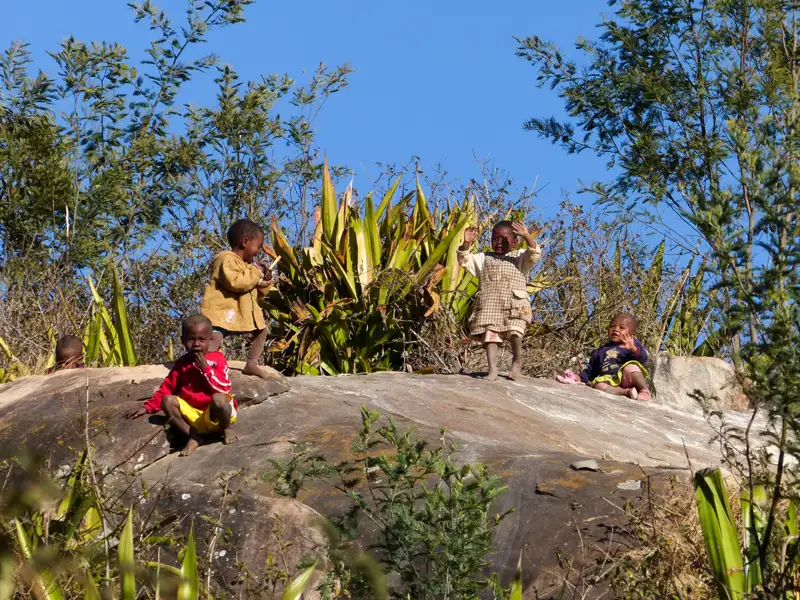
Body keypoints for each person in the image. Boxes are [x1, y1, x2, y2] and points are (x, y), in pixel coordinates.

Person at [125, 315, 238, 456]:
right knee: (168, 401)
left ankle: (226, 428)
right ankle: (193, 436)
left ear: (210, 341)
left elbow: (224, 387)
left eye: (202, 339)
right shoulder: (182, 363)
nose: (196, 344)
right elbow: (167, 387)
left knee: (219, 399)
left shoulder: (217, 359)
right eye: (191, 339)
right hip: (194, 417)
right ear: (183, 341)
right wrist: (148, 407)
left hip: (215, 414)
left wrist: (205, 369)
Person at [457, 220, 543, 381]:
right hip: (490, 304)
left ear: (515, 242)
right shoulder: (483, 258)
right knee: (490, 335)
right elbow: (464, 260)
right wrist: (466, 243)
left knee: (515, 332)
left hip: (515, 304)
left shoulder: (520, 258)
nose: (499, 243)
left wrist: (527, 235)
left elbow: (534, 254)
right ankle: (492, 369)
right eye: (495, 239)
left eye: (504, 239)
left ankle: (517, 360)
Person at [200, 218, 273, 379]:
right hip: (221, 313)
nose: (258, 251)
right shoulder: (226, 259)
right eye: (258, 246)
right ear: (245, 242)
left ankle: (252, 364)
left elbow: (255, 292)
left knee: (261, 331)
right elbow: (237, 282)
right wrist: (255, 272)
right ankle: (202, 364)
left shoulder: (248, 266)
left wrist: (265, 280)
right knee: (215, 337)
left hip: (240, 313)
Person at [557, 313, 652, 400]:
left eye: (622, 328)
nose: (616, 329)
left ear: (632, 334)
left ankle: (644, 391)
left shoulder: (632, 344)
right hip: (610, 380)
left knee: (631, 368)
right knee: (599, 385)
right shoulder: (600, 351)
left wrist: (633, 348)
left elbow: (643, 358)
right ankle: (627, 392)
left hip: (625, 377)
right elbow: (590, 371)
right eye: (612, 326)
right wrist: (577, 377)